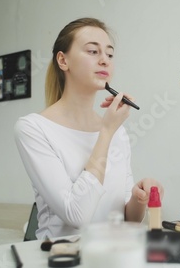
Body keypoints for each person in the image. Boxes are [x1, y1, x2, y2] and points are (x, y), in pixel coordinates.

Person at [14, 17, 164, 239]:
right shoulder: (32, 128)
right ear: (63, 61)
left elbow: (128, 219)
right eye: (93, 51)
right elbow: (77, 215)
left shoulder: (117, 130)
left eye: (109, 54)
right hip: (61, 257)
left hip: (112, 255)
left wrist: (138, 198)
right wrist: (105, 132)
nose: (104, 60)